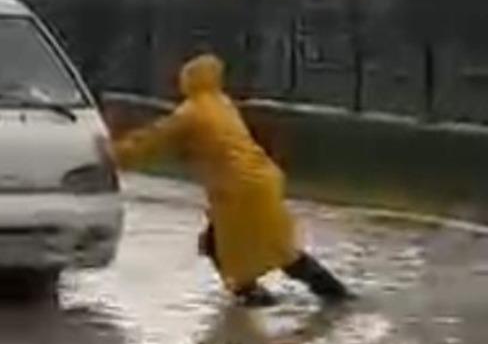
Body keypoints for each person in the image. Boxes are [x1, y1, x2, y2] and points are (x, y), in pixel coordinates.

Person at [112, 53, 352, 307]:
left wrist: (112, 154)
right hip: (263, 181)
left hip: (238, 190)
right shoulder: (222, 103)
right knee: (275, 247)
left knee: (237, 249)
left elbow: (152, 140)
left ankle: (252, 303)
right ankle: (332, 296)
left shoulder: (191, 112)